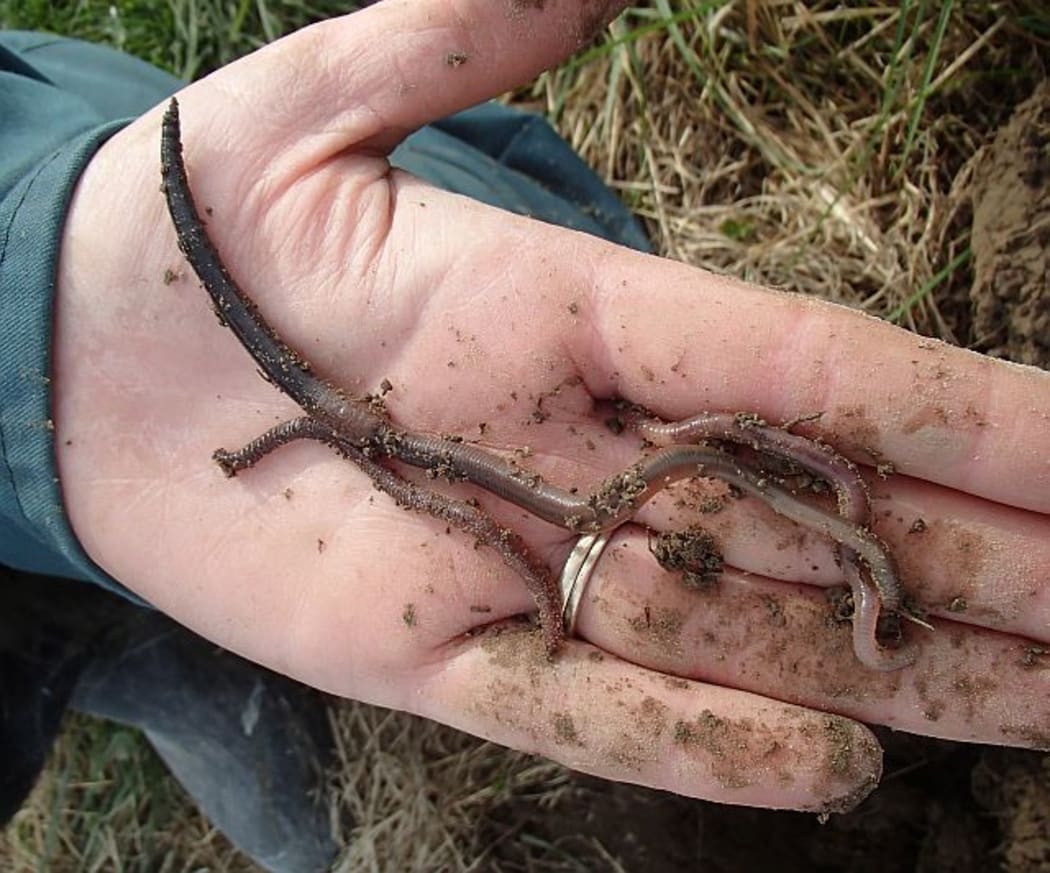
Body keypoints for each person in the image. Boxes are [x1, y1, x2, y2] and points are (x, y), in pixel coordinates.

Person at [2, 1, 1048, 870]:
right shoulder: (349, 445)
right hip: (111, 517)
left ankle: (125, 619)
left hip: (64, 282)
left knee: (660, 431)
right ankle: (150, 652)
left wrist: (42, 263)